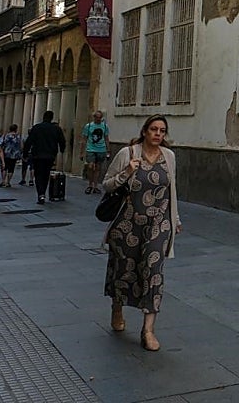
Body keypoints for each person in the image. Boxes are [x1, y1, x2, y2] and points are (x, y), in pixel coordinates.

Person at [102, 114, 182, 352]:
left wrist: (175, 218)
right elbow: (107, 184)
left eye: (162, 130)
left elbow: (172, 190)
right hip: (127, 223)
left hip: (158, 224)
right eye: (154, 129)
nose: (158, 134)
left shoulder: (169, 157)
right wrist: (126, 172)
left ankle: (148, 330)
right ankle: (117, 307)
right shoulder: (128, 154)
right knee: (124, 270)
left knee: (153, 271)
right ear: (145, 131)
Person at [22, 110, 66, 204]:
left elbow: (29, 141)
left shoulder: (37, 127)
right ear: (52, 118)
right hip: (50, 155)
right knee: (46, 174)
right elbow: (62, 141)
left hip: (37, 155)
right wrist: (62, 150)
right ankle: (42, 193)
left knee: (38, 174)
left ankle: (40, 194)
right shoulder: (56, 129)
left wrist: (25, 154)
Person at [80, 110, 110, 194]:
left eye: (100, 117)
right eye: (97, 117)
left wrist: (108, 150)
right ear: (94, 117)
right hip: (91, 149)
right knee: (90, 166)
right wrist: (82, 152)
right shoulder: (88, 126)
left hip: (101, 149)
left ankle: (95, 186)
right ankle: (90, 184)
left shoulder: (104, 126)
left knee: (97, 168)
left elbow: (106, 138)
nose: (98, 119)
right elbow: (84, 139)